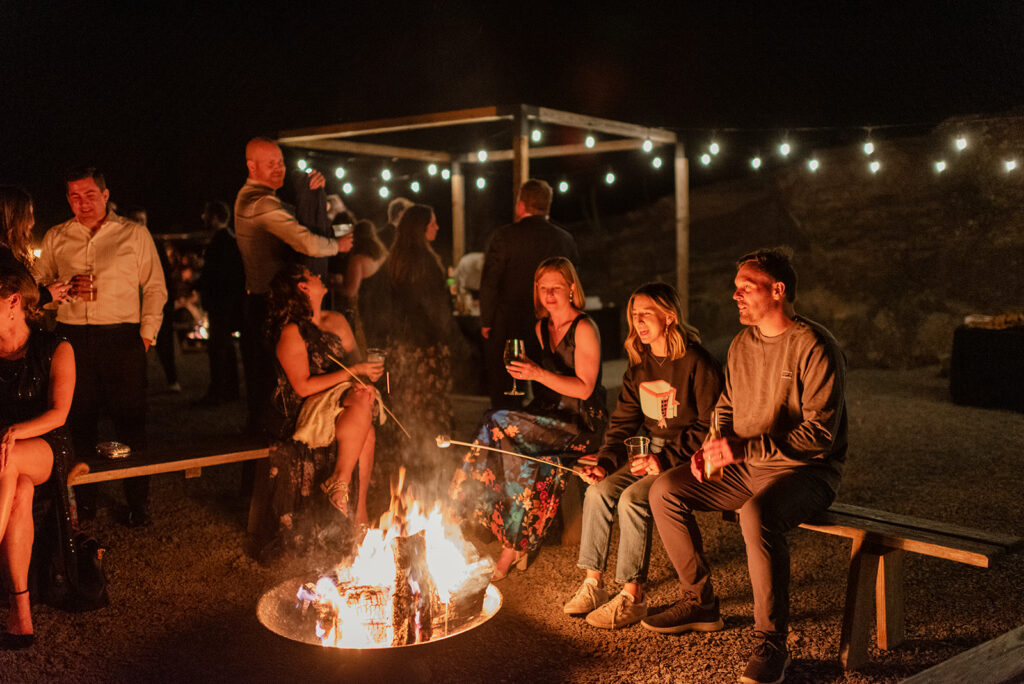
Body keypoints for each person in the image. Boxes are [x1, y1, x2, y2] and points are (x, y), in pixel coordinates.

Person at [643, 248, 848, 684]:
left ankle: (772, 642)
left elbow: (820, 436)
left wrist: (742, 450)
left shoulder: (814, 346)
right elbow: (726, 407)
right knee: (665, 490)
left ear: (778, 290)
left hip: (805, 472)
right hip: (747, 466)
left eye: (745, 288)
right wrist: (710, 447)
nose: (735, 296)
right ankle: (699, 602)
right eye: (735, 288)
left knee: (756, 514)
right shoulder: (742, 344)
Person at [564, 282, 723, 629]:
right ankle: (594, 584)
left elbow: (710, 423)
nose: (637, 321)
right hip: (648, 452)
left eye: (645, 314)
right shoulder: (639, 366)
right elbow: (622, 424)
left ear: (669, 316)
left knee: (633, 499)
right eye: (633, 315)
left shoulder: (697, 361)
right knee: (599, 490)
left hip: (684, 457)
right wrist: (605, 462)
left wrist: (664, 461)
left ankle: (632, 596)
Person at [450, 257, 608, 581]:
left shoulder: (585, 328)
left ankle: (458, 507)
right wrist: (526, 374)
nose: (549, 295)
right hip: (547, 415)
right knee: (512, 448)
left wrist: (537, 372)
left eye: (556, 288)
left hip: (580, 422)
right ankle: (510, 542)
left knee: (495, 420)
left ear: (571, 289)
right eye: (543, 288)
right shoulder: (540, 328)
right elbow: (540, 385)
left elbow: (584, 388)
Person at [35, 167, 167, 527]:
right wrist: (58, 292)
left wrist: (146, 334)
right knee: (79, 423)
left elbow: (155, 286)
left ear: (106, 195)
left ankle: (138, 503)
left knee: (131, 422)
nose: (83, 202)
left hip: (122, 336)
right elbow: (38, 287)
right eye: (75, 196)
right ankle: (86, 501)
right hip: (72, 336)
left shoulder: (134, 234)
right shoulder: (56, 236)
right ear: (67, 199)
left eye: (90, 194)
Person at [250, 264, 383, 562]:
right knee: (368, 430)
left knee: (364, 395)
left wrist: (367, 375)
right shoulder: (291, 332)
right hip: (304, 405)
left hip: (343, 397)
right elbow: (302, 386)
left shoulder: (336, 320)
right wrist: (353, 376)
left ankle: (340, 482)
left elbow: (356, 364)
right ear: (302, 287)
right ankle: (358, 512)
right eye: (312, 275)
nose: (320, 276)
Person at [234, 137, 353, 438]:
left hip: (265, 302)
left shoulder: (261, 199)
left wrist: (313, 197)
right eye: (270, 163)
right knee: (271, 394)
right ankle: (272, 462)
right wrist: (336, 245)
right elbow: (304, 239)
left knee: (271, 392)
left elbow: (297, 213)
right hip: (268, 306)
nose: (279, 169)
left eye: (281, 162)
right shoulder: (259, 203)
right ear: (251, 165)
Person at [0, 264, 75, 647]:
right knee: (19, 492)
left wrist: (14, 433)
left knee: (10, 460)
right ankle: (21, 616)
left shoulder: (54, 347)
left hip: (46, 444)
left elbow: (59, 413)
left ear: (13, 301)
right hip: (3, 452)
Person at [373, 205, 456, 493]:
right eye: (432, 223)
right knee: (430, 411)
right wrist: (448, 338)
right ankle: (431, 476)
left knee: (406, 411)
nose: (436, 227)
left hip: (400, 349)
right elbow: (436, 311)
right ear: (421, 227)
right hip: (426, 350)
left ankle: (405, 475)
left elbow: (383, 308)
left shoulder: (394, 261)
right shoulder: (426, 262)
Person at [479, 179, 579, 409]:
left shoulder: (504, 237)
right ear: (547, 206)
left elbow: (490, 281)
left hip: (509, 327)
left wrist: (486, 320)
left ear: (520, 206)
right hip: (551, 326)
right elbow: (574, 283)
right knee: (549, 391)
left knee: (507, 393)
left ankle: (508, 436)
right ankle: (544, 436)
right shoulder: (564, 239)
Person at [125, 206, 180, 393]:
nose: (140, 224)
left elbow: (164, 276)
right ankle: (139, 382)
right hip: (133, 305)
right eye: (136, 220)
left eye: (143, 220)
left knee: (164, 342)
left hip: (157, 302)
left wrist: (168, 302)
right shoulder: (124, 245)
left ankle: (172, 379)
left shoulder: (155, 244)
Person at [197, 201, 244, 405]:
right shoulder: (229, 240)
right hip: (226, 303)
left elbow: (221, 275)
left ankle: (219, 391)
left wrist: (200, 281)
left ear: (215, 217)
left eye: (206, 214)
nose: (203, 218)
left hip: (221, 304)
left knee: (218, 348)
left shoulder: (222, 242)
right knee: (225, 348)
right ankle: (230, 389)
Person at [0, 186, 73, 306]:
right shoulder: (5, 260)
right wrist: (46, 295)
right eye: (28, 215)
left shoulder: (8, 255)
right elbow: (10, 303)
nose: (32, 222)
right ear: (13, 218)